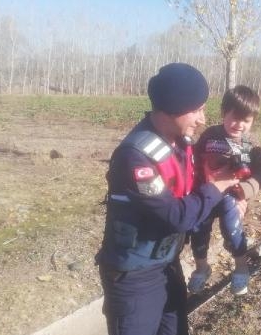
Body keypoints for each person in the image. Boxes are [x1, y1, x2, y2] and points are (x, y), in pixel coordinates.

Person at [96, 63, 242, 335]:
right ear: (171, 108)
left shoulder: (180, 142)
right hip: (134, 277)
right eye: (196, 109)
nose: (202, 118)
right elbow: (178, 216)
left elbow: (197, 191)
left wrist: (232, 192)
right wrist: (217, 187)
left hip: (167, 266)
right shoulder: (135, 157)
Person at [187, 85, 261, 295]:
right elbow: (193, 159)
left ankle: (241, 267)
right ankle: (202, 268)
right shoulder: (209, 135)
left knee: (232, 229)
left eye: (247, 120)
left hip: (232, 195)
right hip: (206, 192)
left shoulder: (251, 145)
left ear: (253, 121)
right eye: (235, 117)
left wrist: (246, 190)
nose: (239, 125)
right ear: (224, 113)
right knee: (198, 230)